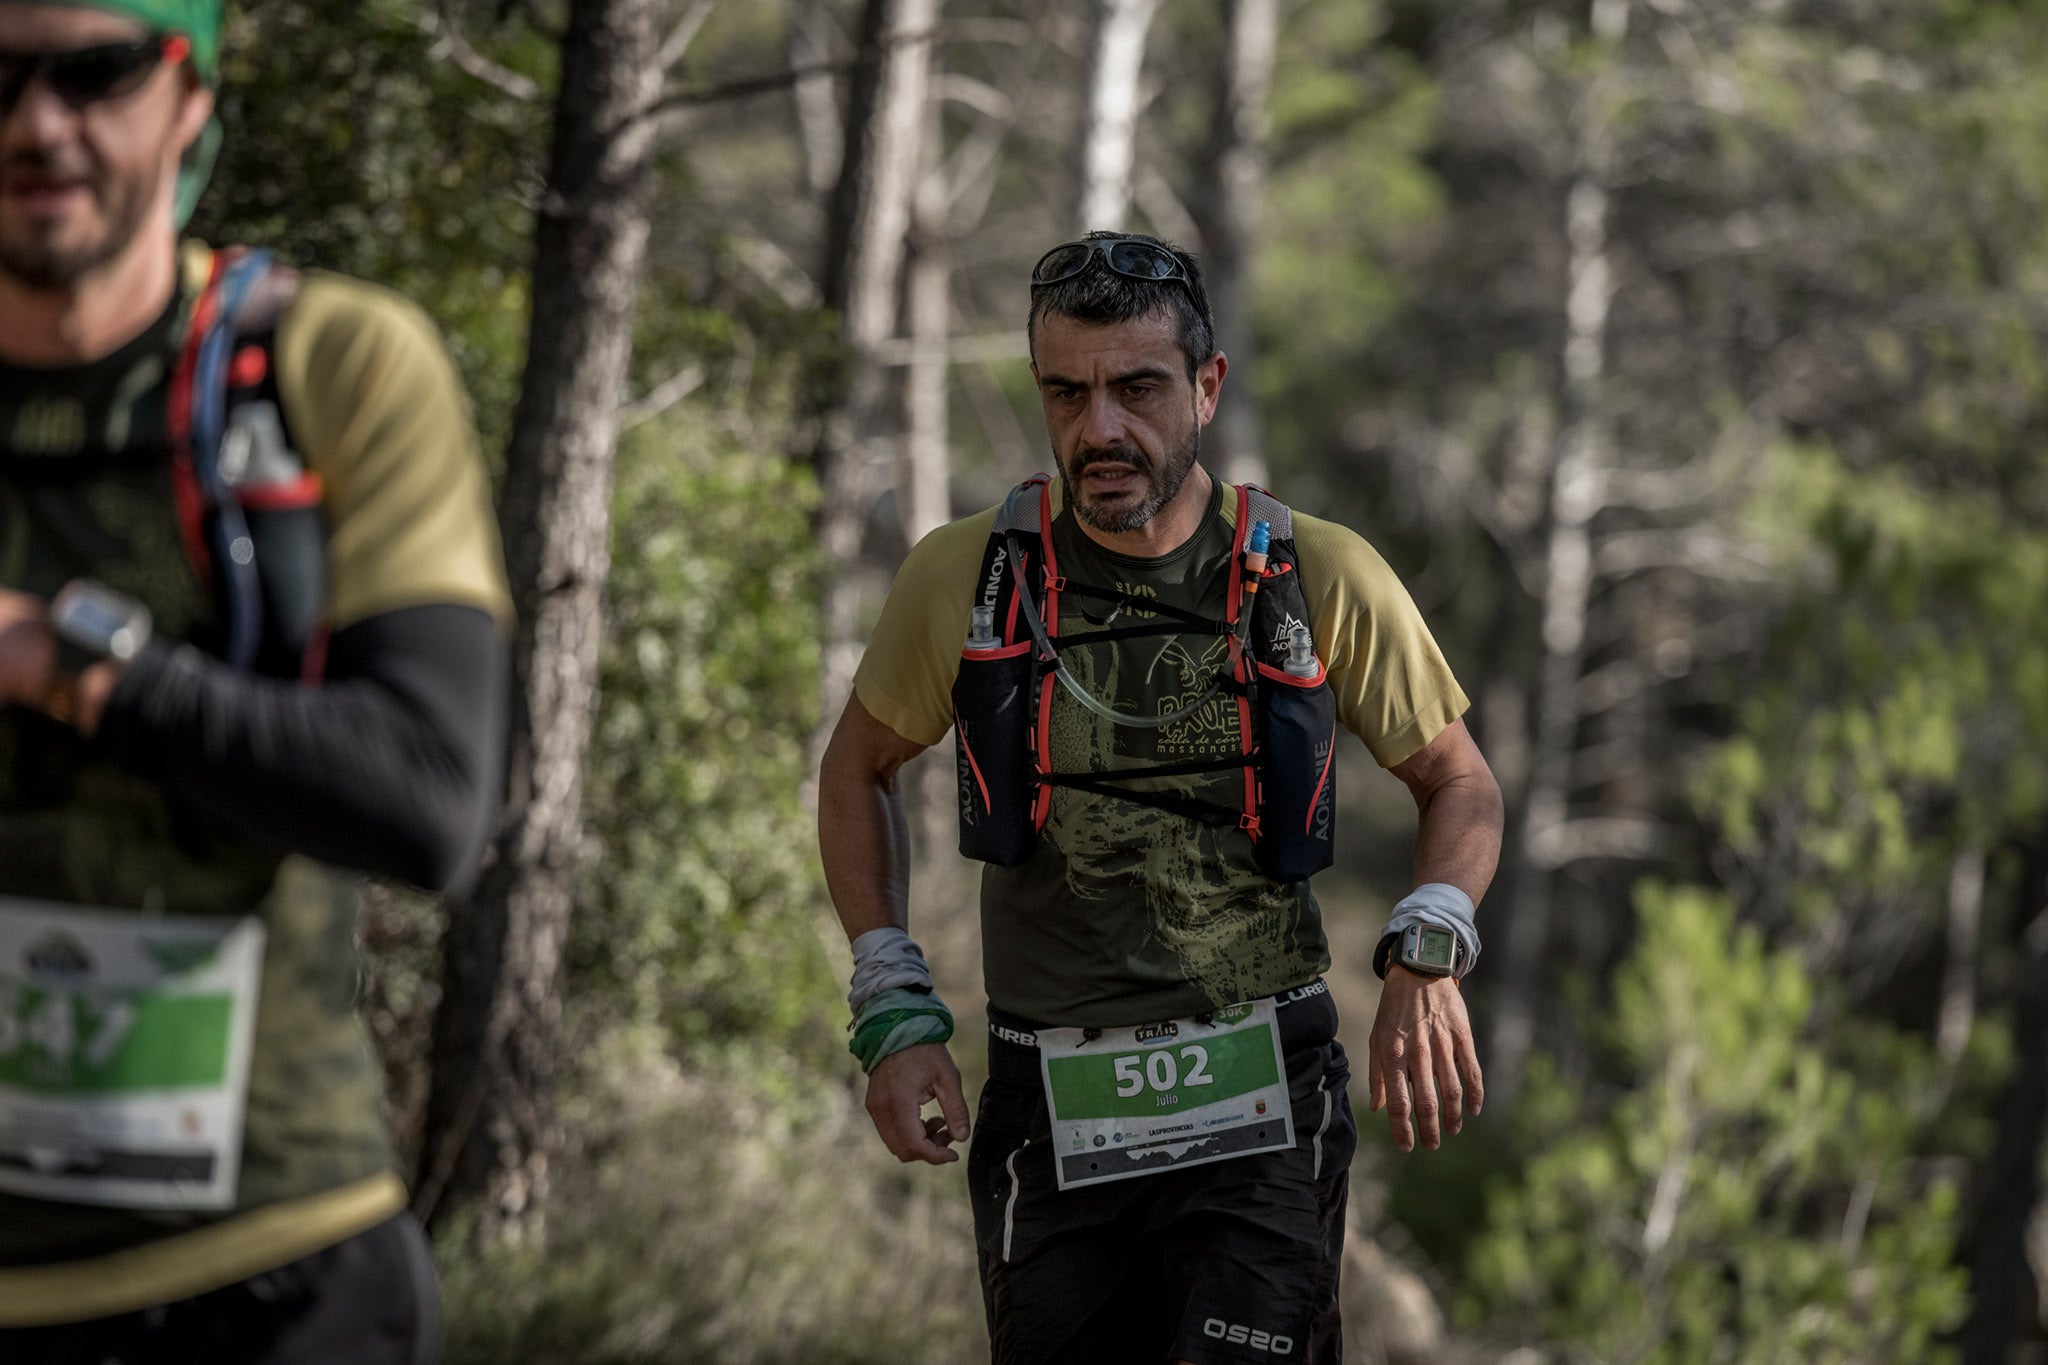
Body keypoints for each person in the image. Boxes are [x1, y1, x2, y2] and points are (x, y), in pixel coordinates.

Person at [818, 230, 1504, 1364]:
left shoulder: (1315, 571)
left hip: (1261, 1099)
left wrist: (1430, 939)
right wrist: (889, 998)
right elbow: (856, 769)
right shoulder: (969, 574)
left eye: (1136, 389)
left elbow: (1457, 781)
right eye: (1066, 392)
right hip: (1050, 1101)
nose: (1100, 431)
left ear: (1205, 386)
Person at [0, 2, 509, 1360]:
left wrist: (69, 665)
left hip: (275, 1276)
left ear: (190, 97)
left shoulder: (325, 364)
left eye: (95, 71)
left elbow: (427, 797)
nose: (37, 124)